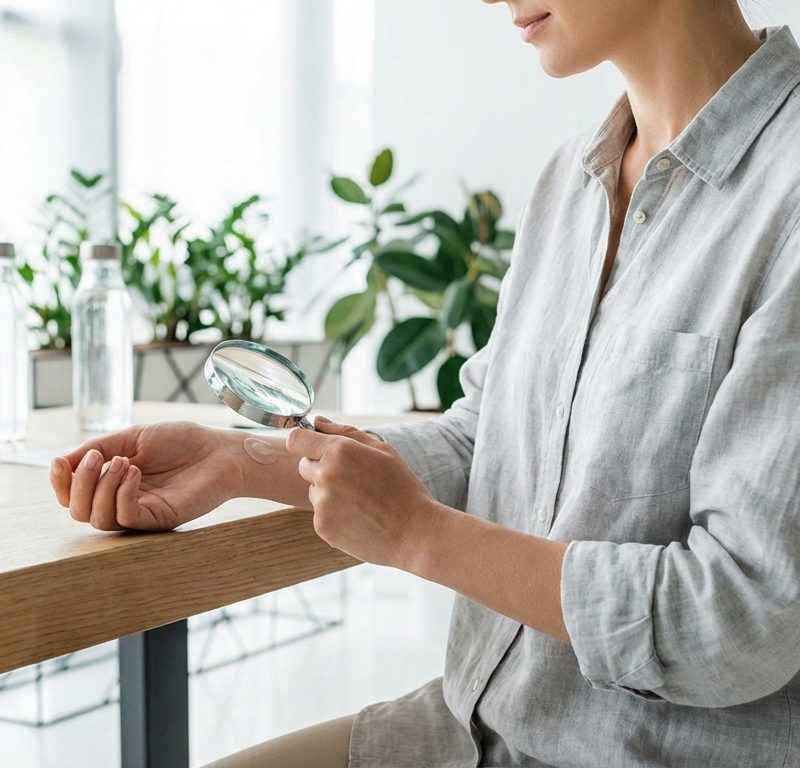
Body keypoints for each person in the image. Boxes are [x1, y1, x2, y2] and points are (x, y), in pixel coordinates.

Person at [50, 0, 800, 765]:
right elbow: (487, 441)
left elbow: (742, 617)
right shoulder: (570, 183)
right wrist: (239, 462)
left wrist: (421, 537)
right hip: (467, 730)